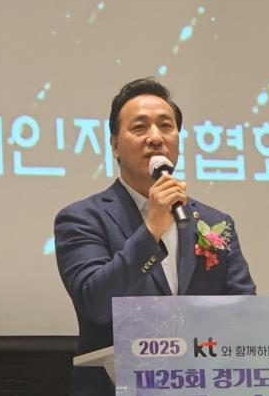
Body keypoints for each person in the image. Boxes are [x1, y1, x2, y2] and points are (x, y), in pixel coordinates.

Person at [54, 77, 256, 358]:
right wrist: (151, 231)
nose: (156, 138)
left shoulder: (213, 222)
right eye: (139, 127)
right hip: (117, 382)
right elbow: (95, 304)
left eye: (166, 126)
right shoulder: (82, 219)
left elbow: (244, 312)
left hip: (203, 381)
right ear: (114, 145)